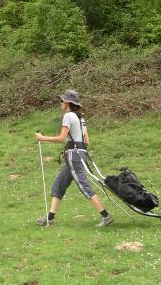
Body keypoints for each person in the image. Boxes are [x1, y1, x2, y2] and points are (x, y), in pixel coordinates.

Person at [34, 90, 113, 227]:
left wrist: (42, 138)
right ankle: (50, 218)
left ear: (67, 103)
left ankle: (105, 216)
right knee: (59, 184)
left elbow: (61, 138)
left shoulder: (68, 116)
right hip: (80, 153)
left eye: (61, 100)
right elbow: (86, 141)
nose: (60, 103)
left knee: (83, 185)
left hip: (73, 155)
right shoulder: (81, 118)